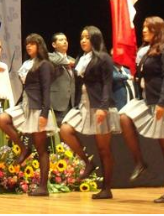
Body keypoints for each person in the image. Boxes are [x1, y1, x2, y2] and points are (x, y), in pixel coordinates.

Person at [119, 16, 164, 203]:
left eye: (149, 28)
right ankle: (140, 162)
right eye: (144, 27)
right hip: (148, 100)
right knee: (124, 117)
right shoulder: (146, 51)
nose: (144, 30)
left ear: (158, 31)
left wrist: (162, 103)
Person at [60, 26, 120, 200]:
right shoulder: (81, 58)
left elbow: (107, 83)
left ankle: (107, 188)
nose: (83, 40)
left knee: (103, 149)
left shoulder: (103, 58)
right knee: (65, 129)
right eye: (82, 37)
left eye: (87, 37)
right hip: (84, 105)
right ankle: (88, 162)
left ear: (95, 38)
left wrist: (103, 107)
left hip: (100, 105)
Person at [0, 33, 57, 196]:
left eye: (32, 43)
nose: (28, 46)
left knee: (41, 148)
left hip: (38, 108)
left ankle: (43, 186)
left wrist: (44, 113)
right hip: (24, 104)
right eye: (27, 44)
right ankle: (24, 148)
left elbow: (46, 89)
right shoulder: (27, 63)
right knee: (2, 119)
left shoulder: (44, 64)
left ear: (39, 46)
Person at [48, 32, 76, 125]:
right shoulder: (50, 57)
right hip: (57, 102)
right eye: (61, 40)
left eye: (66, 40)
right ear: (54, 44)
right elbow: (58, 61)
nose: (65, 42)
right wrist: (69, 62)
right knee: (58, 130)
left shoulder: (72, 59)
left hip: (72, 102)